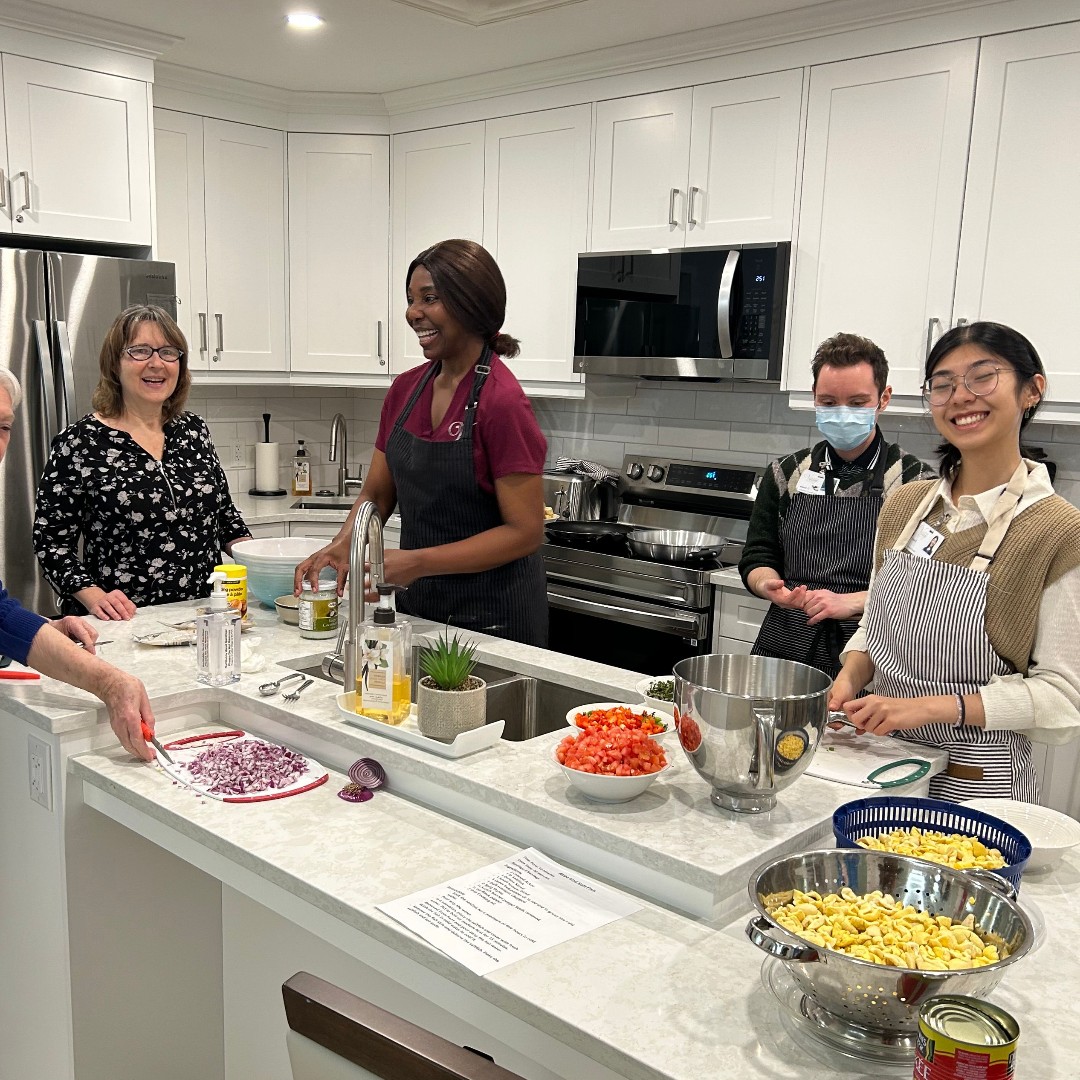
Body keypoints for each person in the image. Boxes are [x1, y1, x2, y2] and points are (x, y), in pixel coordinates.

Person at [830, 322, 1080, 802]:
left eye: (982, 377)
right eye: (943, 385)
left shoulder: (1057, 532)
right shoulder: (905, 505)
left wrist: (927, 709)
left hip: (975, 784)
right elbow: (878, 624)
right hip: (879, 762)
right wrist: (851, 676)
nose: (960, 396)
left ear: (1032, 390)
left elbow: (1061, 698)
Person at [296, 239, 548, 646]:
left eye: (429, 298)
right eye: (411, 299)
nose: (413, 313)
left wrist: (417, 562)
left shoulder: (502, 401)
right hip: (420, 611)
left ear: (472, 304)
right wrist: (343, 545)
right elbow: (378, 492)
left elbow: (525, 531)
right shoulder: (405, 390)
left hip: (495, 622)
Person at [33, 305, 252, 620]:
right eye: (140, 351)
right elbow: (51, 542)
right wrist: (93, 597)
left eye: (168, 352)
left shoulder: (194, 431)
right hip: (123, 623)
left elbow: (225, 518)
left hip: (202, 617)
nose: (156, 363)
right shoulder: (79, 442)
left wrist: (267, 562)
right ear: (114, 364)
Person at [739, 333, 933, 678]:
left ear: (883, 399)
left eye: (857, 403)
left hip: (871, 650)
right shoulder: (786, 474)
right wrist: (768, 584)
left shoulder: (916, 483)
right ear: (814, 398)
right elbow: (758, 555)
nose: (842, 414)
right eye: (828, 403)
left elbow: (925, 585)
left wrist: (852, 602)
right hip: (785, 641)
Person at [0, 368, 155, 761]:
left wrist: (45, 628)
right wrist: (109, 681)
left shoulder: (194, 431)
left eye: (3, 427)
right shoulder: (81, 440)